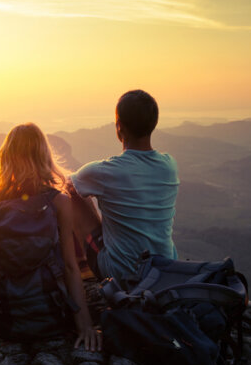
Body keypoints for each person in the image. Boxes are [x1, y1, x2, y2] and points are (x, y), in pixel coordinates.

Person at [0, 123, 101, 351]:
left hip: (4, 315)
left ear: (7, 156)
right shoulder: (60, 201)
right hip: (50, 309)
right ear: (44, 155)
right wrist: (85, 325)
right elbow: (69, 266)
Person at [68, 90, 179, 282]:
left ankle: (77, 270)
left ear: (119, 127)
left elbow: (66, 184)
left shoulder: (104, 172)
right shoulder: (169, 165)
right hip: (165, 268)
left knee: (73, 195)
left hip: (120, 272)